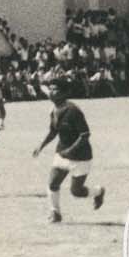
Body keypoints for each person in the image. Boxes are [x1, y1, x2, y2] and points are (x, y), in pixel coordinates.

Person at [33, 82, 104, 225]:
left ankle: (98, 192)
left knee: (76, 191)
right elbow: (53, 131)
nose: (51, 92)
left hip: (80, 156)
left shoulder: (73, 111)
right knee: (52, 183)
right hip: (62, 153)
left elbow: (85, 135)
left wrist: (70, 151)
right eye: (50, 89)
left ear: (64, 93)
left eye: (55, 89)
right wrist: (41, 145)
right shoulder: (54, 110)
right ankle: (55, 213)